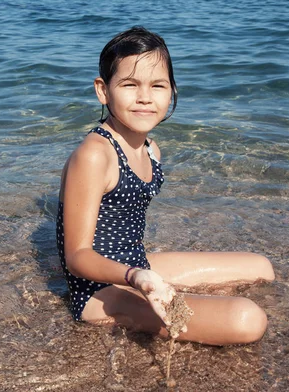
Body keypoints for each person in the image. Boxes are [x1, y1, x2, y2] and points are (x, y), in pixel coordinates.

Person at [57, 26, 275, 346]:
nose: (145, 97)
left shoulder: (150, 148)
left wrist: (142, 273)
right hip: (98, 291)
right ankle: (141, 310)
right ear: (103, 90)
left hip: (136, 265)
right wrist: (136, 277)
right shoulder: (94, 155)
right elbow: (77, 256)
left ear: (171, 90)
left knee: (261, 268)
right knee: (247, 319)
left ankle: (173, 298)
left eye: (157, 85)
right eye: (130, 85)